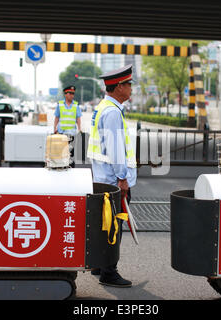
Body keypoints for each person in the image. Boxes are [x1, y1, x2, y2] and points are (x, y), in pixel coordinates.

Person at [87, 64, 136, 288]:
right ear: (118, 87)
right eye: (128, 84)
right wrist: (122, 178)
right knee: (115, 224)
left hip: (102, 176)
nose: (131, 88)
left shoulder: (103, 107)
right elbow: (116, 149)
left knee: (104, 224)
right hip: (113, 180)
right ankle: (109, 271)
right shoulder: (113, 112)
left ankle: (99, 264)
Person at [54, 85, 82, 167]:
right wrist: (54, 128)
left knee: (71, 154)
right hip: (61, 133)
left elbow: (78, 118)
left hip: (71, 134)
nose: (72, 95)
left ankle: (71, 169)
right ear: (65, 94)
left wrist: (79, 129)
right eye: (70, 93)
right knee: (61, 154)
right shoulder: (60, 105)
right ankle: (61, 167)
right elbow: (57, 117)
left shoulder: (76, 105)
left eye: (73, 94)